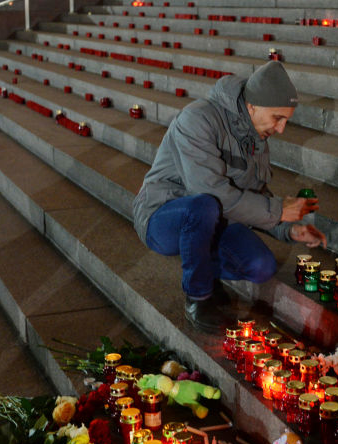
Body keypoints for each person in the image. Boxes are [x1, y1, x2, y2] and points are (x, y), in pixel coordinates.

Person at [132, 61, 326, 333]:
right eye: (277, 118)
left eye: (286, 120)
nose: (281, 129)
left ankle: (205, 266)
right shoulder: (197, 118)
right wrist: (280, 209)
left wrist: (289, 229)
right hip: (163, 214)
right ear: (252, 107)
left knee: (261, 266)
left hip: (215, 218)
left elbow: (254, 195)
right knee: (202, 206)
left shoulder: (255, 135)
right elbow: (209, 192)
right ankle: (198, 297)